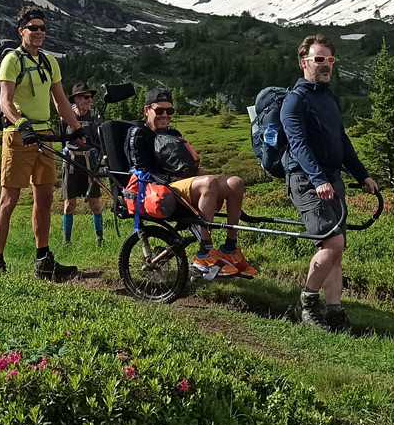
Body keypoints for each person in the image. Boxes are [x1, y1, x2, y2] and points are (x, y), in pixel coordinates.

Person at [280, 34, 379, 332]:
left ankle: (334, 312)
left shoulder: (328, 97)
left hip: (332, 180)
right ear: (304, 63)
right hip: (307, 180)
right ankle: (306, 304)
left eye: (330, 60)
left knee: (338, 248)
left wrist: (362, 174)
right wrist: (319, 179)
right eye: (319, 59)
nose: (325, 65)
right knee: (332, 242)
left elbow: (342, 140)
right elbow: (298, 145)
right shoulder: (294, 100)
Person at [0, 6, 88, 281]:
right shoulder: (12, 60)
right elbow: (5, 102)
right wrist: (21, 124)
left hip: (45, 135)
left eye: (43, 28)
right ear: (21, 30)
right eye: (33, 27)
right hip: (18, 134)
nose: (39, 32)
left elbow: (60, 101)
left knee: (44, 198)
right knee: (9, 199)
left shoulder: (49, 62)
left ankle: (43, 260)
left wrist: (77, 127)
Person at [124, 89, 256, 279]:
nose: (165, 116)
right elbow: (140, 172)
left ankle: (230, 248)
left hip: (181, 185)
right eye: (160, 111)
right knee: (209, 182)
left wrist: (197, 174)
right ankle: (205, 254)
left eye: (170, 112)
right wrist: (174, 180)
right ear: (147, 110)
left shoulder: (173, 132)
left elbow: (185, 162)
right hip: (158, 190)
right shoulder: (138, 134)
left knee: (235, 183)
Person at [60, 83, 104, 246]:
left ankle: (100, 239)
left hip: (90, 161)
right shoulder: (66, 116)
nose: (90, 100)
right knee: (69, 203)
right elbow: (62, 139)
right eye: (86, 97)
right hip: (71, 161)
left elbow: (101, 140)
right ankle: (67, 241)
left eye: (91, 97)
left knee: (95, 202)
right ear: (76, 99)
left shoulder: (95, 117)